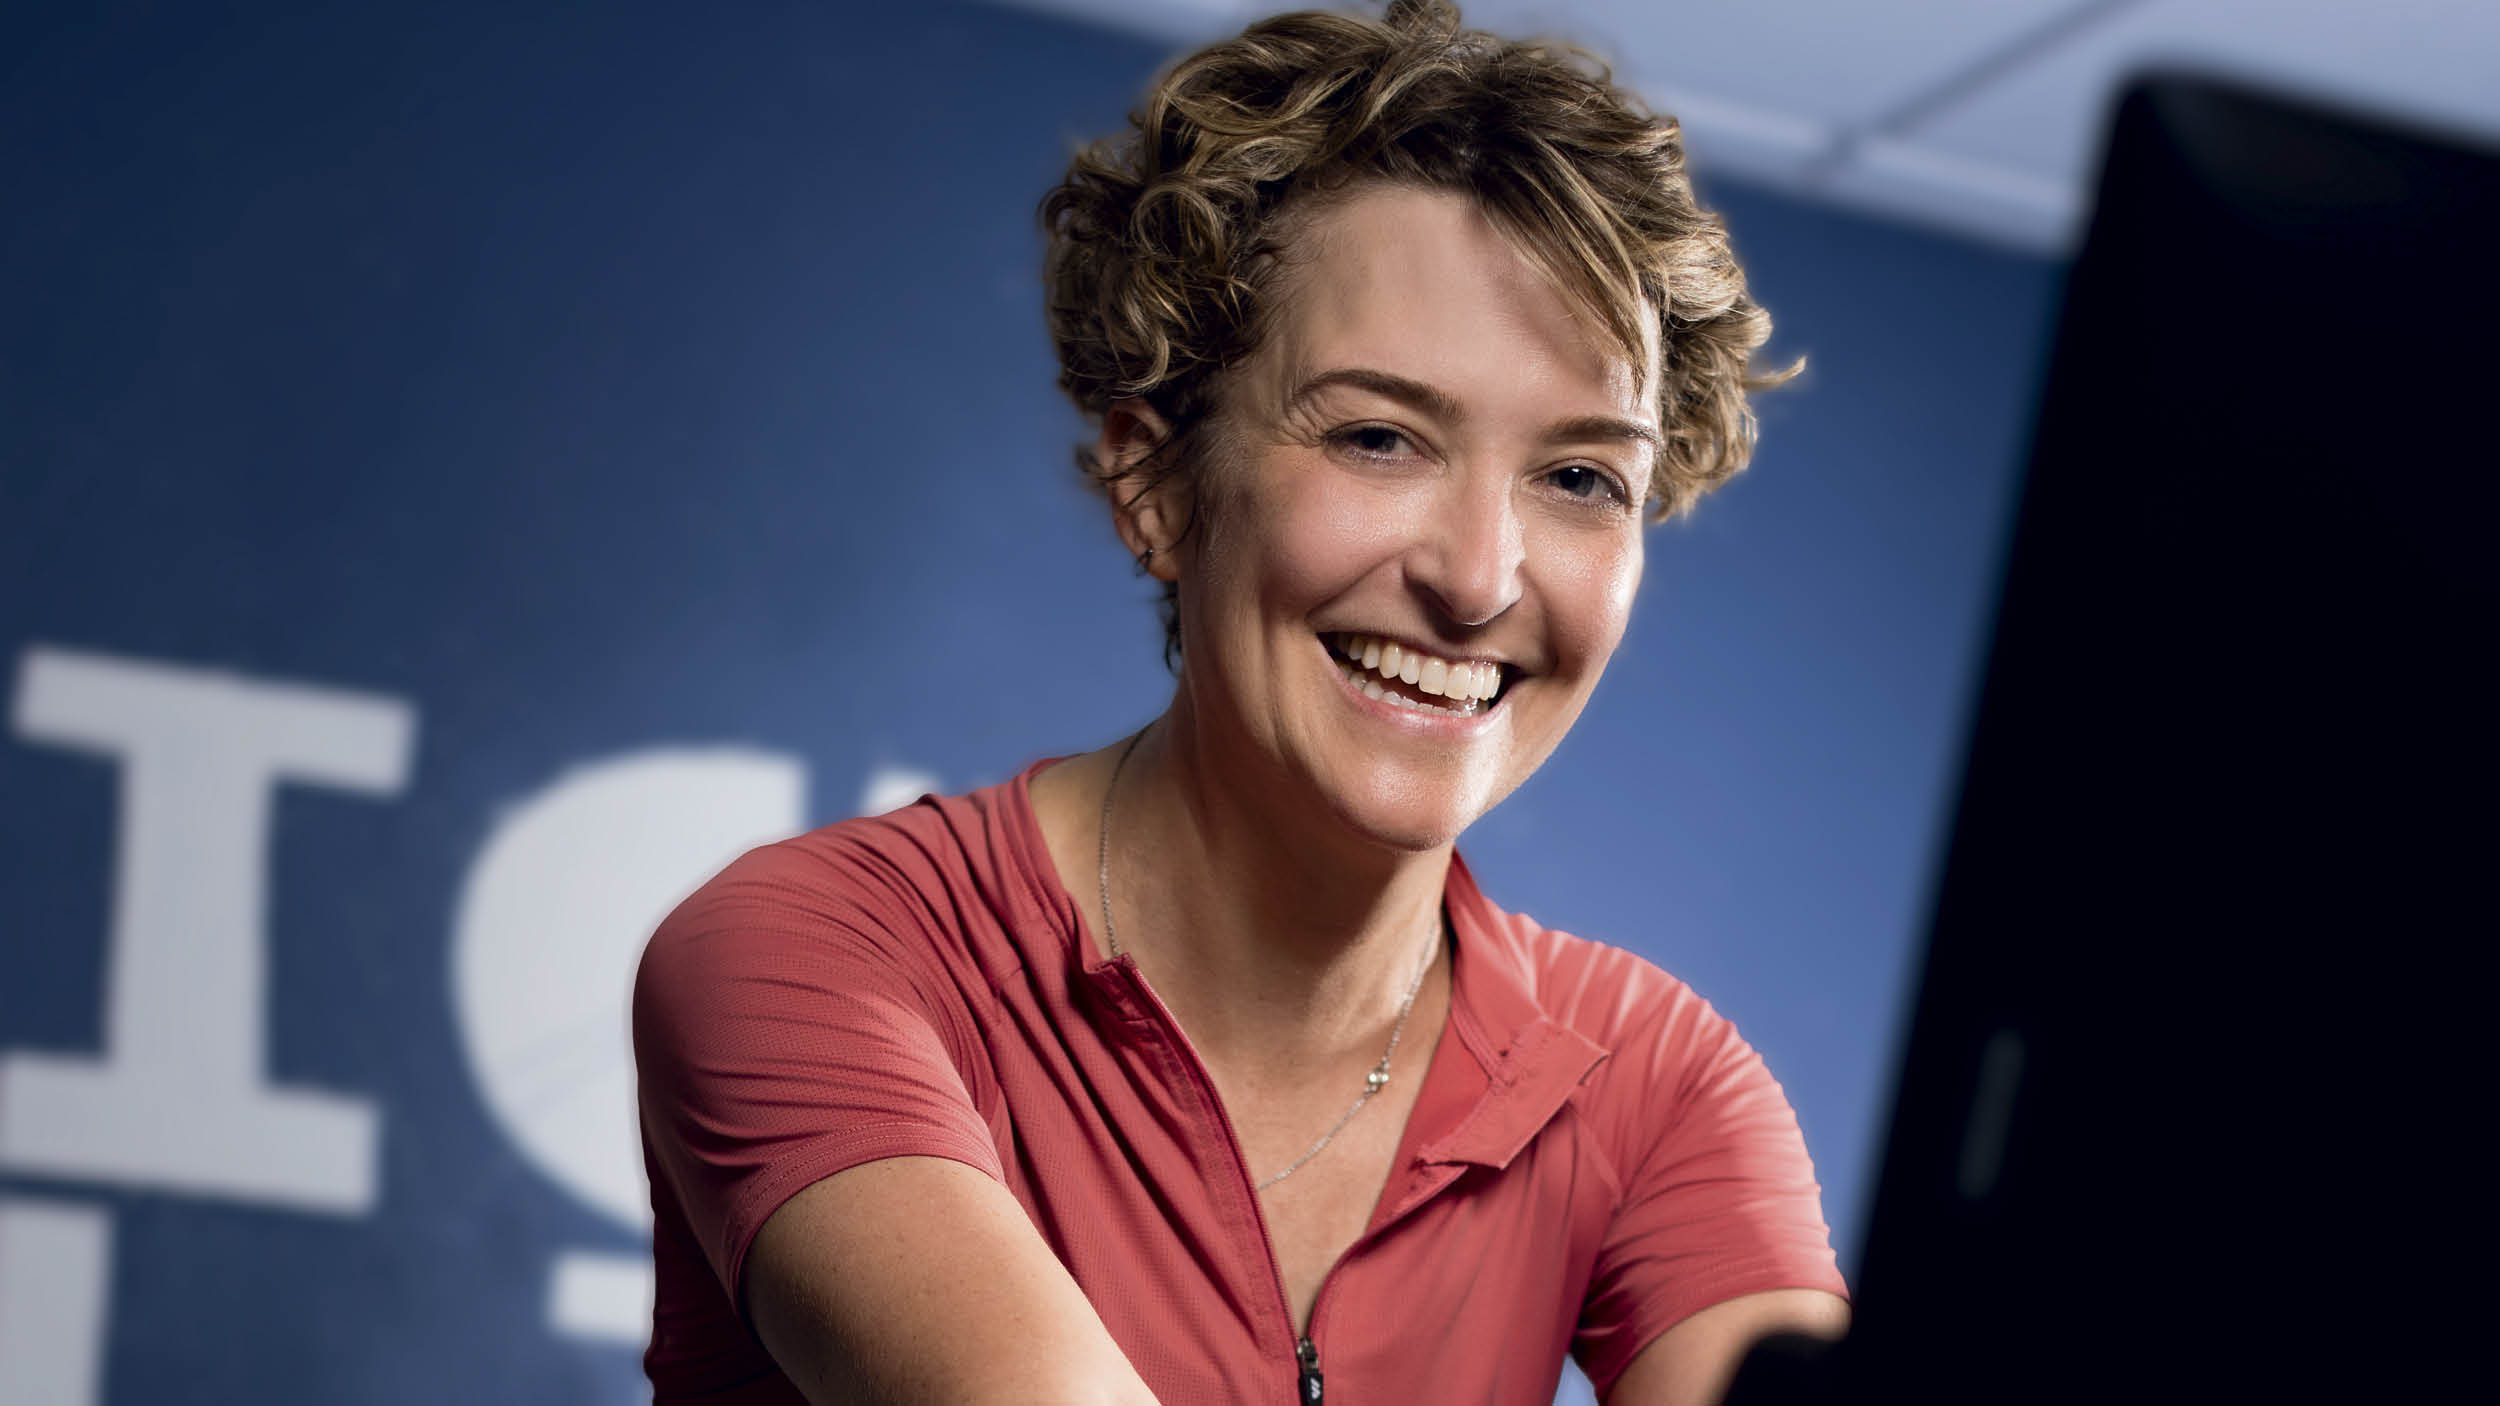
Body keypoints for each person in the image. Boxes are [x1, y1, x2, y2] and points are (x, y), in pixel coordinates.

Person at [633, 3, 1850, 1401]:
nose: (1477, 577)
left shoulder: (1653, 1082)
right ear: (1155, 485)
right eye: (1378, 437)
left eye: (1581, 476)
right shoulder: (820, 956)